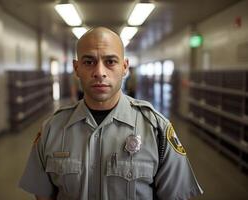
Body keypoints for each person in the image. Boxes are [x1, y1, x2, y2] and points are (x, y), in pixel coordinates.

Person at [19, 27, 203, 200]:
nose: (99, 72)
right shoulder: (53, 128)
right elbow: (43, 195)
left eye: (110, 61)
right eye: (89, 62)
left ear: (124, 67)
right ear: (77, 68)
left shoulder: (157, 130)